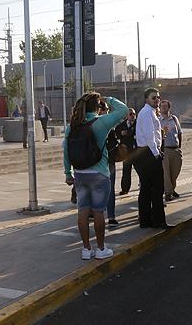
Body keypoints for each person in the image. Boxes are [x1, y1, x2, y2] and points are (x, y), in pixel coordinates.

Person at [64, 92, 127, 260]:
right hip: (99, 173)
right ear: (97, 107)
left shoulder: (73, 125)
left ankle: (86, 249)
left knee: (82, 211)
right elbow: (124, 110)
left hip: (80, 174)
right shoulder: (102, 122)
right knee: (99, 212)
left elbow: (66, 150)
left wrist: (68, 173)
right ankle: (100, 249)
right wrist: (109, 100)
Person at [133, 88, 174, 229]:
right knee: (157, 188)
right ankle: (158, 220)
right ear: (146, 100)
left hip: (144, 153)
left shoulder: (149, 112)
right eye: (153, 98)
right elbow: (150, 135)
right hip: (148, 153)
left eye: (157, 97)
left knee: (146, 188)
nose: (156, 99)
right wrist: (156, 153)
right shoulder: (147, 113)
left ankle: (145, 220)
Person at [160, 100, 183, 201]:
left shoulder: (174, 119)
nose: (164, 107)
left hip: (175, 149)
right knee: (166, 173)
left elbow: (179, 133)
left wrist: (179, 147)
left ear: (169, 108)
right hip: (165, 149)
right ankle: (168, 192)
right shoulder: (158, 120)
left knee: (175, 172)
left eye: (166, 106)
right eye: (162, 106)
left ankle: (172, 189)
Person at [101, 103, 119, 226]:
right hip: (100, 163)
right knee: (103, 190)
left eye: (107, 109)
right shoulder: (98, 126)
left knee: (110, 190)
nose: (107, 111)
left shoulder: (110, 127)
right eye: (105, 109)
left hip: (108, 162)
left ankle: (111, 216)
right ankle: (106, 216)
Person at [115, 108, 137, 195]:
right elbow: (116, 135)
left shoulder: (138, 124)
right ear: (126, 116)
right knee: (126, 171)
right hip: (126, 152)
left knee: (141, 170)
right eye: (131, 114)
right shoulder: (121, 125)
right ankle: (125, 189)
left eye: (134, 114)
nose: (133, 116)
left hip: (136, 151)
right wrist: (121, 133)